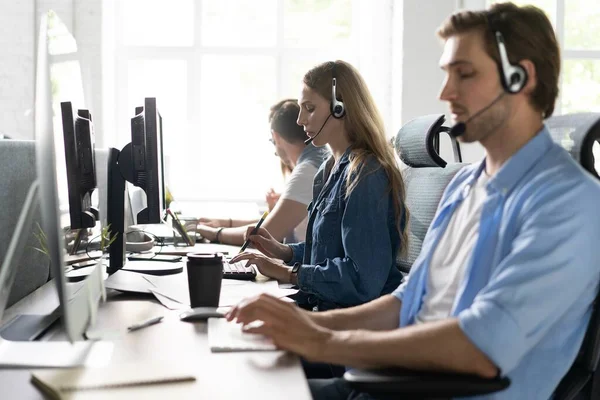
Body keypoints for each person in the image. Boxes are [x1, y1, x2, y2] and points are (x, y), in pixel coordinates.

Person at [226, 3, 600, 399]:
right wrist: (309, 326)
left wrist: (321, 342)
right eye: (446, 74)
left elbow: (482, 347)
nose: (445, 92)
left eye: (465, 74)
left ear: (521, 77)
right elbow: (406, 302)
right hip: (393, 380)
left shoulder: (570, 204)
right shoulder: (464, 186)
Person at [230, 60, 409, 311]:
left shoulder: (365, 175)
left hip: (351, 320)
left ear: (340, 108)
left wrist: (288, 273)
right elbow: (328, 251)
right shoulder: (327, 170)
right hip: (324, 307)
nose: (301, 120)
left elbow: (361, 279)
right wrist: (283, 252)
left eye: (310, 108)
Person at [196, 99, 329, 245]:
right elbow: (273, 222)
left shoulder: (307, 171)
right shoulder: (318, 159)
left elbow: (266, 234)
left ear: (276, 136)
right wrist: (226, 223)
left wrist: (216, 234)